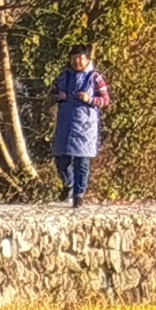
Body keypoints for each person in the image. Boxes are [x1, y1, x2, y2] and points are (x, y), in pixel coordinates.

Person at [51, 48, 111, 207]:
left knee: (82, 162)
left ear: (87, 59)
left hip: (85, 126)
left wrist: (90, 99)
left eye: (80, 58)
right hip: (65, 123)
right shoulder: (64, 76)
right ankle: (68, 183)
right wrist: (59, 96)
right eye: (74, 59)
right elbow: (52, 93)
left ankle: (79, 195)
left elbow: (105, 100)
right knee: (60, 159)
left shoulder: (95, 78)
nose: (77, 62)